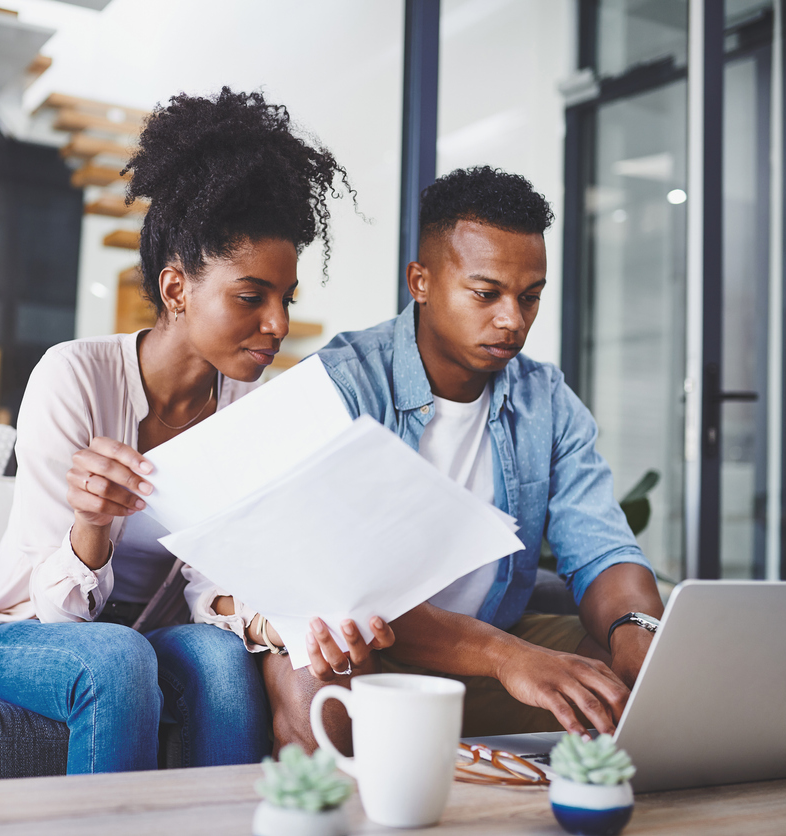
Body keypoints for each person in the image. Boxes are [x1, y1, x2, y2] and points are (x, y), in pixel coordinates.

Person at [0, 88, 389, 774]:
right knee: (117, 658)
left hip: (150, 632)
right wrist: (90, 525)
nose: (279, 325)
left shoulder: (248, 413)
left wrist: (279, 625)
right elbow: (59, 614)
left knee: (224, 663)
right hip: (23, 627)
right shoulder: (72, 377)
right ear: (177, 290)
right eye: (250, 296)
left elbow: (210, 587)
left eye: (286, 300)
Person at [266, 166, 665, 750]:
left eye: (530, 297)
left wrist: (638, 632)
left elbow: (601, 545)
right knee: (310, 672)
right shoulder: (341, 386)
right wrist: (508, 658)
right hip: (372, 652)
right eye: (487, 294)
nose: (513, 319)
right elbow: (348, 591)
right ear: (420, 281)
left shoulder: (545, 400)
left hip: (492, 646)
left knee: (638, 671)